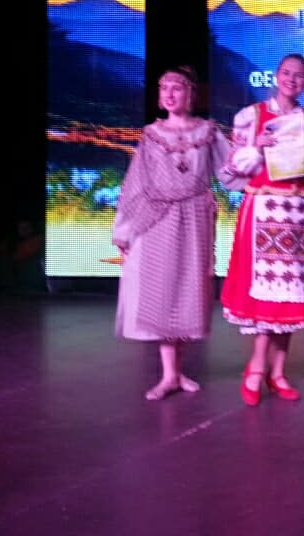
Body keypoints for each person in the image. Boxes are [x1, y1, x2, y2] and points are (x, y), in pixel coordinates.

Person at [112, 66, 232, 400]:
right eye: (164, 88)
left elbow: (231, 169)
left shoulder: (207, 132)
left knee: (188, 291)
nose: (169, 94)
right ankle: (168, 375)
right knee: (164, 291)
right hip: (158, 217)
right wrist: (125, 229)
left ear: (190, 93)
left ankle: (179, 372)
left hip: (194, 215)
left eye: (176, 88)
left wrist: (260, 155)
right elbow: (135, 184)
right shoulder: (152, 134)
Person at [220, 54, 304, 405]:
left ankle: (279, 371)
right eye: (286, 73)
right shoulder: (253, 115)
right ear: (276, 76)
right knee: (266, 295)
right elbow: (234, 167)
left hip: (298, 213)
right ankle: (256, 368)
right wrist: (257, 146)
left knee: (292, 296)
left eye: (299, 75)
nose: (292, 80)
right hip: (264, 208)